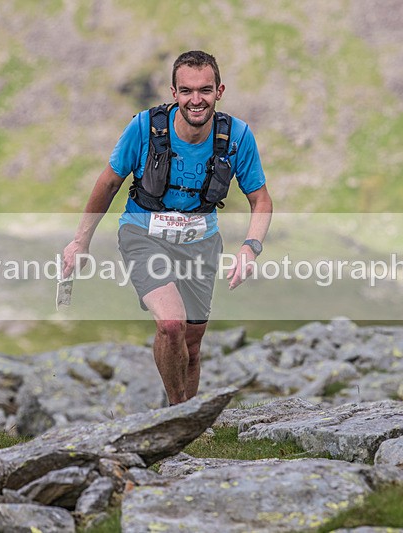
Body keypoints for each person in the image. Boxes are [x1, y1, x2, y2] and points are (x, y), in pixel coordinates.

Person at [62, 50, 272, 405]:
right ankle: (177, 413)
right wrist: (80, 242)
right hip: (143, 234)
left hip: (201, 243)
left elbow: (261, 200)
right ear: (173, 93)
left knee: (191, 340)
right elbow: (108, 183)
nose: (196, 100)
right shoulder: (144, 128)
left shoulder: (237, 136)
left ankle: (189, 423)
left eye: (204, 90)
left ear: (219, 91)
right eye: (186, 90)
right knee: (171, 324)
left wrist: (251, 247)